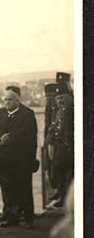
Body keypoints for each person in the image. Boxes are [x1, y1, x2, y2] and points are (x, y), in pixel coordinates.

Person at [0, 86, 38, 229]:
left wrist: (10, 137)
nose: (7, 102)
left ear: (18, 100)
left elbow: (28, 135)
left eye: (10, 99)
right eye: (5, 99)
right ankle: (10, 216)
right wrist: (0, 137)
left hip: (21, 160)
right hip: (3, 159)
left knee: (24, 189)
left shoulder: (27, 114)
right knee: (7, 189)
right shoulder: (1, 113)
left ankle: (28, 218)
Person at [46, 73, 73, 208]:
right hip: (60, 150)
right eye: (58, 98)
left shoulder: (72, 111)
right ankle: (63, 197)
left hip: (68, 150)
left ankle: (68, 199)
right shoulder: (59, 112)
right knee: (60, 175)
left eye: (63, 98)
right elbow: (53, 129)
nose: (60, 101)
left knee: (68, 176)